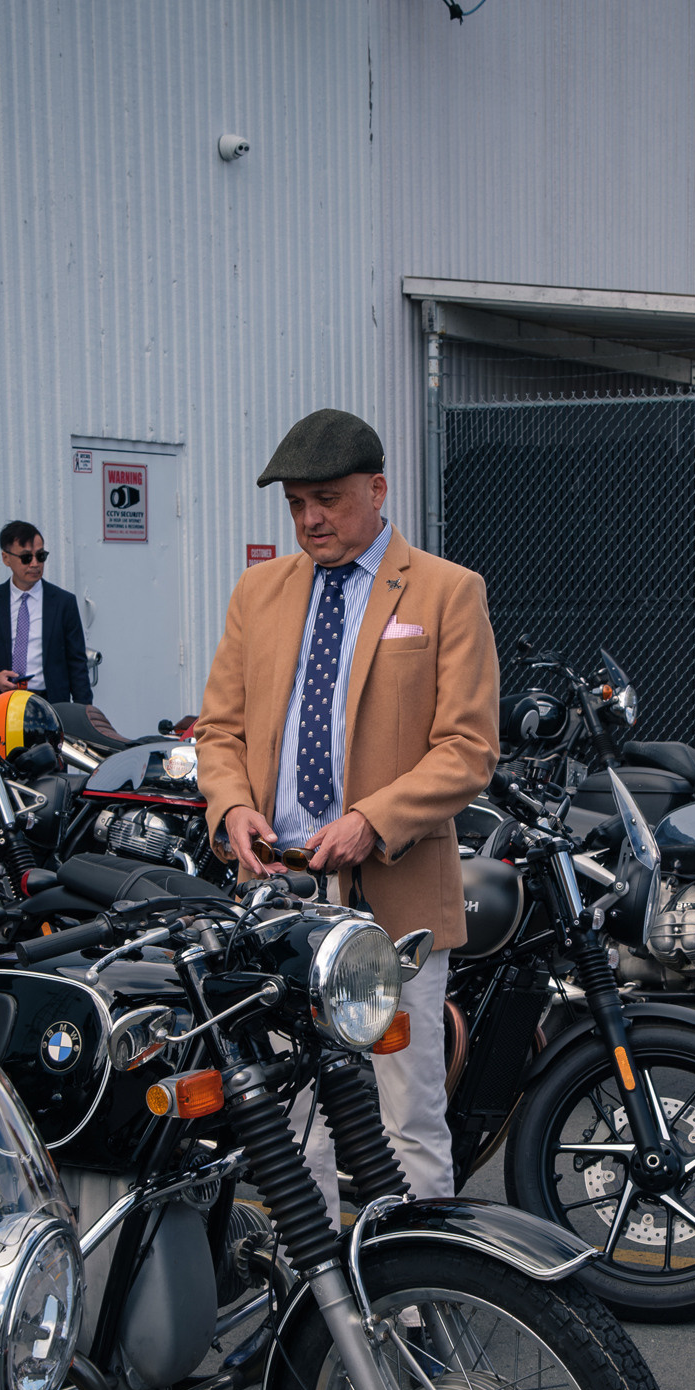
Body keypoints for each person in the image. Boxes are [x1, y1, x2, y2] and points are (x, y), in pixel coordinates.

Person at [194, 409, 499, 1201]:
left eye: (325, 499)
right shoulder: (258, 592)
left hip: (391, 900)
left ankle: (431, 1307)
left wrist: (374, 820)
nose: (310, 519)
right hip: (278, 898)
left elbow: (468, 748)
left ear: (378, 488)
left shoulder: (447, 591)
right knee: (296, 1122)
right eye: (296, 504)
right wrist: (231, 810)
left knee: (409, 1119)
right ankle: (315, 1312)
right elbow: (218, 731)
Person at [0, 521, 92, 707]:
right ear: (6, 558)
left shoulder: (63, 603)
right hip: (2, 705)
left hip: (51, 705)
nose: (35, 564)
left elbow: (78, 665)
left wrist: (84, 716)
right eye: (26, 558)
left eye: (40, 556)